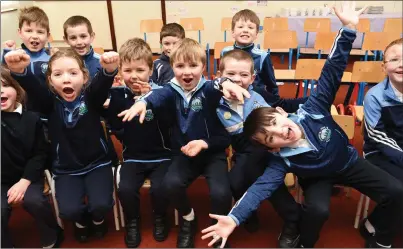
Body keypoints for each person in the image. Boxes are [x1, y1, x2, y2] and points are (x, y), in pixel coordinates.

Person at [201, 3, 403, 248]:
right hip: (316, 176)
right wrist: (233, 218)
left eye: (275, 123)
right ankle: (306, 243)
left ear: (280, 112)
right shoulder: (281, 159)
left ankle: (380, 238)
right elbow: (259, 189)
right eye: (271, 138)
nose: (280, 131)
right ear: (272, 149)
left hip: (349, 163)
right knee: (317, 211)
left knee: (396, 191)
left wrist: (348, 29)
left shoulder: (312, 110)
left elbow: (332, 71)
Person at [119, 38, 250, 248]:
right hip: (183, 153)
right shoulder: (170, 90)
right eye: (180, 66)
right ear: (172, 68)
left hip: (211, 152)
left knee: (221, 193)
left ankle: (217, 227)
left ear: (203, 67)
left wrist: (225, 82)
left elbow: (216, 84)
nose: (186, 72)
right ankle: (188, 219)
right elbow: (157, 95)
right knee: (170, 184)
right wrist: (143, 102)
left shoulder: (208, 89)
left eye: (193, 65)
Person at [5, 48, 120, 243]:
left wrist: (109, 70)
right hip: (66, 168)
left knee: (101, 204)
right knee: (69, 210)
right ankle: (81, 222)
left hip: (97, 163)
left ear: (84, 77)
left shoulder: (91, 98)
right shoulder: (48, 103)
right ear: (50, 81)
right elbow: (34, 88)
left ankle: (99, 220)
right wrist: (19, 71)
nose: (66, 79)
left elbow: (100, 86)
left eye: (73, 73)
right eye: (58, 74)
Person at [215, 49, 308, 247]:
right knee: (235, 180)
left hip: (268, 147)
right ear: (220, 76)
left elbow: (284, 104)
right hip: (242, 150)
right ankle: (249, 214)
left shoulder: (259, 95)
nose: (237, 79)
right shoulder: (214, 98)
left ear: (252, 78)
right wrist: (221, 85)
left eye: (243, 75)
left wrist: (315, 102)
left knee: (261, 175)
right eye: (230, 74)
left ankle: (292, 217)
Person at [104, 38, 172, 248]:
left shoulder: (161, 93)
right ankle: (132, 221)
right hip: (133, 157)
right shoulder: (117, 95)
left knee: (160, 188)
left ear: (150, 71)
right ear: (120, 72)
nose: (134, 76)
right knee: (125, 188)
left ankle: (160, 217)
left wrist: (150, 99)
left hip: (162, 156)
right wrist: (113, 110)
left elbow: (171, 122)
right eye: (128, 70)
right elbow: (116, 126)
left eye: (140, 70)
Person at [1, 66, 63, 248]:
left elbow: (39, 154)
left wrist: (24, 181)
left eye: (5, 85)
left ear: (16, 89)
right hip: (1, 179)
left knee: (35, 201)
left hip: (28, 176)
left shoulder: (31, 119)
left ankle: (51, 236)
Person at [363, 37, 403, 242]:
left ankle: (375, 221)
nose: (401, 64)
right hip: (378, 153)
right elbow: (377, 136)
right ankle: (381, 240)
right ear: (384, 66)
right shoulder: (375, 96)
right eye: (395, 59)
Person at [2, 6, 52, 114]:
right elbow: (5, 77)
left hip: (45, 112)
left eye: (40, 32)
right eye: (29, 31)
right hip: (19, 112)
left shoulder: (51, 60)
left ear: (47, 35)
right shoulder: (16, 56)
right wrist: (6, 54)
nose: (34, 36)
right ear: (20, 33)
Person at [221, 9, 278, 96]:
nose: (245, 30)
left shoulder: (262, 56)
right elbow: (222, 78)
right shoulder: (225, 52)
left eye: (250, 27)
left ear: (256, 34)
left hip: (255, 101)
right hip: (229, 97)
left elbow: (272, 86)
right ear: (232, 32)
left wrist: (273, 103)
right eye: (240, 27)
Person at [63, 15, 101, 80]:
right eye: (73, 38)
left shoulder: (101, 62)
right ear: (66, 40)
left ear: (91, 37)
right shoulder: (62, 62)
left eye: (83, 36)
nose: (79, 42)